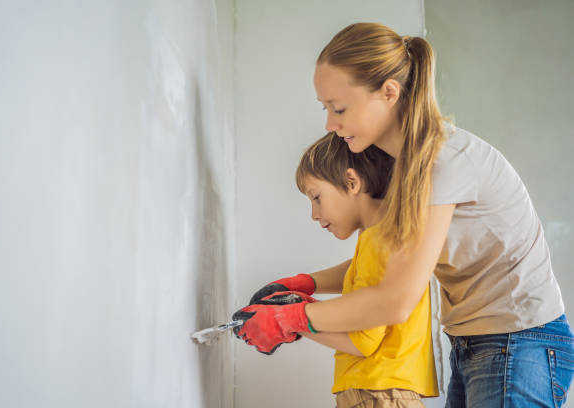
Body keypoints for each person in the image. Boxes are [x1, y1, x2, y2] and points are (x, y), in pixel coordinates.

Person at [233, 22, 574, 407]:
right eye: (325, 108)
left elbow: (396, 298)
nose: (330, 123)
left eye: (339, 108)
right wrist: (307, 283)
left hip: (519, 341)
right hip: (476, 341)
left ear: (389, 93)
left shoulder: (443, 163)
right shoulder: (404, 168)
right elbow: (394, 264)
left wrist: (293, 319)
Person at [234, 132, 438, 407]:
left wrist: (291, 318)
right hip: (384, 392)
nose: (314, 214)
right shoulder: (387, 239)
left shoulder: (378, 242)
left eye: (316, 197)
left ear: (351, 182)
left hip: (376, 395)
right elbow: (359, 274)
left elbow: (362, 341)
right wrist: (305, 284)